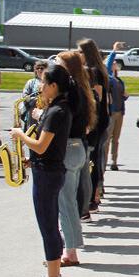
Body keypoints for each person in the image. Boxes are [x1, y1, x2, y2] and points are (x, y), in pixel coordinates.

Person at [11, 64, 74, 277]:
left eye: (44, 83)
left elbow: (40, 145)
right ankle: (53, 272)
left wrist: (19, 134)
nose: (41, 86)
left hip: (48, 174)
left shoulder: (57, 111)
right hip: (47, 169)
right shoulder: (58, 108)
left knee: (48, 225)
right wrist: (31, 161)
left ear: (54, 86)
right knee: (49, 224)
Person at [52, 52, 94, 263]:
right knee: (69, 202)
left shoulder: (70, 90)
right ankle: (72, 248)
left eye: (58, 63)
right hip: (78, 147)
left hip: (68, 148)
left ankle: (70, 252)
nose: (55, 66)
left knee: (65, 204)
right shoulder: (82, 88)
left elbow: (63, 120)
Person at [78, 39, 111, 214]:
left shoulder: (93, 71)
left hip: (95, 120)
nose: (78, 55)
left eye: (80, 52)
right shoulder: (99, 70)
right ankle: (93, 196)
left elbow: (97, 98)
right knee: (94, 158)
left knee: (91, 159)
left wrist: (91, 121)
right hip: (100, 119)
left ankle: (92, 198)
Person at [104, 53, 128, 171]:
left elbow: (122, 95)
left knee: (116, 139)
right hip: (111, 112)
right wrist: (113, 52)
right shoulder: (107, 77)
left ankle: (114, 161)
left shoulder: (118, 79)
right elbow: (107, 66)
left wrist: (125, 95)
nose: (115, 64)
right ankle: (104, 160)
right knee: (107, 138)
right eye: (113, 62)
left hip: (120, 111)